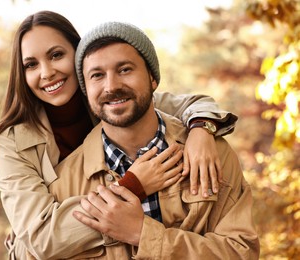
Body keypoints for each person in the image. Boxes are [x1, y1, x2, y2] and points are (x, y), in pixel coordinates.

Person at [0, 11, 238, 259]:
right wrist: (134, 185)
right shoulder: (11, 143)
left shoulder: (114, 101)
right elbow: (41, 239)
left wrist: (201, 130)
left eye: (56, 55)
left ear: (79, 54)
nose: (47, 72)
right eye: (31, 65)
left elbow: (193, 104)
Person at [48, 21, 260, 259]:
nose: (112, 86)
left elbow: (242, 252)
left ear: (152, 78)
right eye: (97, 75)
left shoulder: (212, 154)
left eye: (125, 69)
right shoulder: (63, 183)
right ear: (86, 90)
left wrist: (142, 233)